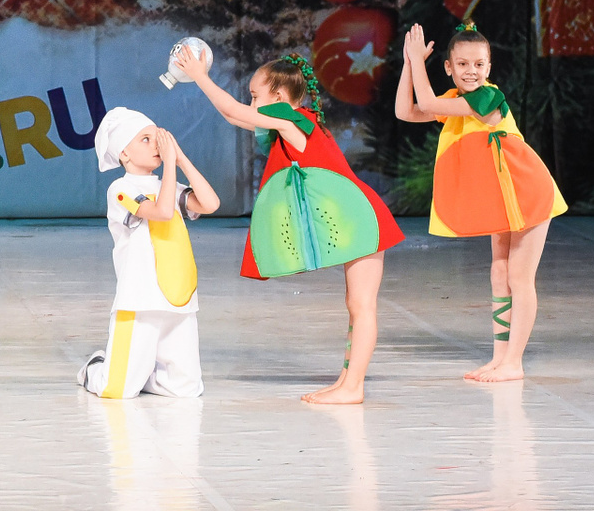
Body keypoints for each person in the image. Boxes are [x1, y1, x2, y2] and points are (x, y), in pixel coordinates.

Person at [172, 48, 403, 404]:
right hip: (357, 219)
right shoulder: (290, 123)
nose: (251, 103)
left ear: (279, 98)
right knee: (356, 304)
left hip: (362, 220)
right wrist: (202, 80)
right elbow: (233, 115)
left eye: (255, 96)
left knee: (362, 306)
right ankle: (347, 381)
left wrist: (200, 75)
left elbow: (233, 111)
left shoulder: (291, 121)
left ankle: (353, 387)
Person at [396, 21, 565, 382]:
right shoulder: (457, 101)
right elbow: (406, 111)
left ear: (489, 67)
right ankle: (499, 358)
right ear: (448, 67)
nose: (471, 71)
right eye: (462, 64)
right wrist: (409, 64)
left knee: (519, 276)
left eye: (478, 64)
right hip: (502, 196)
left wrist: (417, 60)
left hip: (527, 191)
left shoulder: (487, 96)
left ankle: (514, 363)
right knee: (499, 273)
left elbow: (427, 102)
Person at [79, 108, 221, 399]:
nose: (155, 144)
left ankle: (140, 374)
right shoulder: (120, 189)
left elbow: (210, 204)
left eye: (157, 137)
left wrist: (180, 159)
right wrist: (169, 166)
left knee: (185, 389)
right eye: (145, 139)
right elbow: (162, 211)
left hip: (178, 296)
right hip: (140, 299)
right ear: (124, 153)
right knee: (116, 390)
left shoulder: (168, 186)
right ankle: (95, 367)